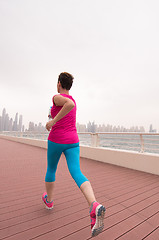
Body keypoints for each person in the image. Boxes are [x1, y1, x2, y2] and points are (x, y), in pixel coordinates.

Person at [43, 72, 106, 237]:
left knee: (51, 169)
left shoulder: (57, 97)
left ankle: (49, 201)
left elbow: (68, 104)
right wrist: (53, 114)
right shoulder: (71, 101)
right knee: (76, 172)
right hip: (73, 141)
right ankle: (94, 204)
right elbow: (68, 106)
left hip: (57, 140)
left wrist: (52, 122)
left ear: (59, 84)